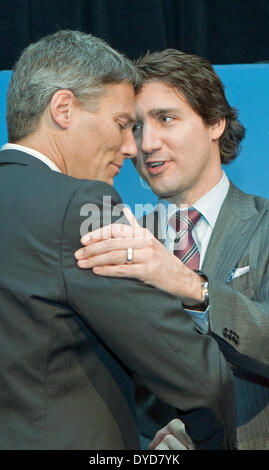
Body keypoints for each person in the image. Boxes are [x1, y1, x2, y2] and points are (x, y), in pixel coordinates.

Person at [0, 31, 236, 450]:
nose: (135, 147)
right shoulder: (80, 205)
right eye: (124, 124)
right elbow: (198, 378)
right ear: (64, 109)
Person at [75, 49, 269, 450]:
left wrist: (190, 284)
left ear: (215, 122)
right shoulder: (118, 242)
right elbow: (102, 379)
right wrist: (151, 444)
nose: (147, 144)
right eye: (135, 127)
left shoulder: (264, 225)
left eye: (166, 119)